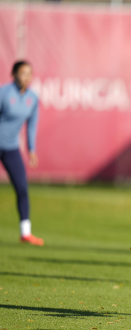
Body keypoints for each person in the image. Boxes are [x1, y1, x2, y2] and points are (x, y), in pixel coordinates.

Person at [0, 60, 42, 246]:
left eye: (29, 73)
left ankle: (26, 233)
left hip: (10, 148)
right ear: (14, 74)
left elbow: (31, 126)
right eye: (23, 73)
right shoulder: (4, 93)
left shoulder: (32, 98)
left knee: (22, 188)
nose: (27, 77)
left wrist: (31, 149)